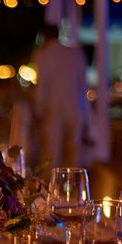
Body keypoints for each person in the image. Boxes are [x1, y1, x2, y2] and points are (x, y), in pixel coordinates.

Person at [32, 24, 90, 167]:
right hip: (75, 108)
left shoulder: (43, 54)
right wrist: (86, 115)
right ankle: (73, 185)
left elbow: (41, 85)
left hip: (53, 108)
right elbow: (83, 85)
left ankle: (51, 186)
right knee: (73, 152)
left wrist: (38, 111)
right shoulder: (76, 53)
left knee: (51, 153)